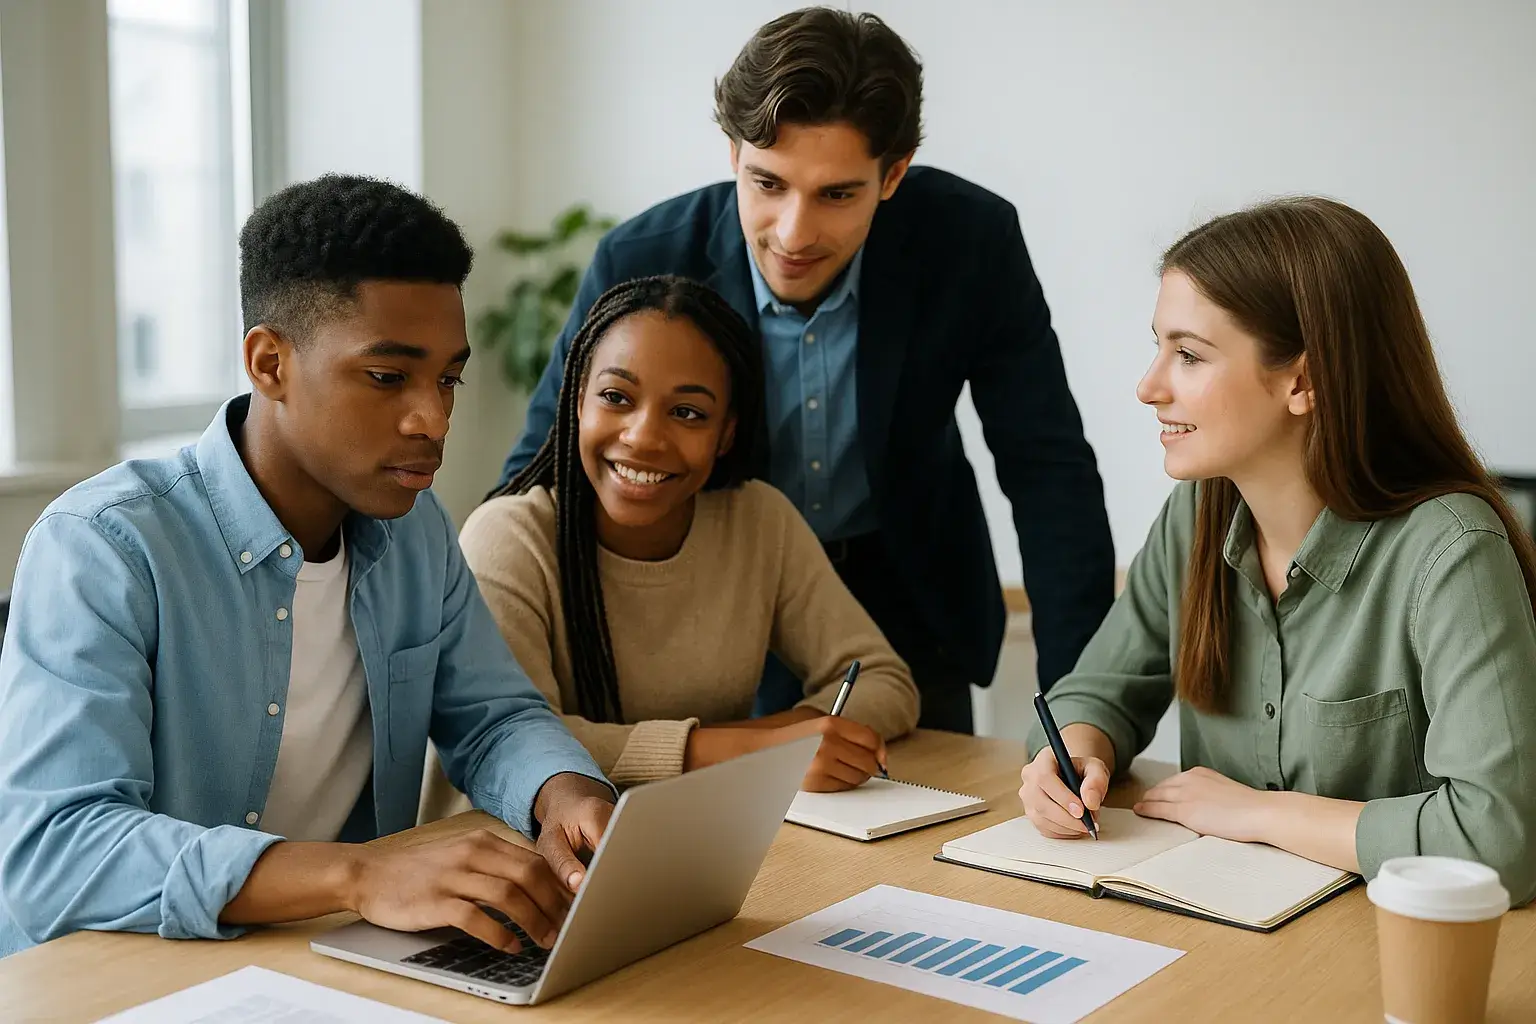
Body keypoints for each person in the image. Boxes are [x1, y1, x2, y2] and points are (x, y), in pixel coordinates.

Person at [0, 175, 618, 959]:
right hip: (127, 976)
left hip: (330, 961)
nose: (433, 418)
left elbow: (495, 717)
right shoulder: (102, 547)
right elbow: (58, 850)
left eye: (447, 378)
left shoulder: (418, 532)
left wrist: (566, 792)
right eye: (388, 377)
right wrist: (356, 878)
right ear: (270, 363)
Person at [496, 7, 1116, 734]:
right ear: (733, 155)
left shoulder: (969, 242)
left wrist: (1082, 713)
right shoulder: (643, 259)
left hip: (907, 600)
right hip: (716, 595)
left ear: (893, 174)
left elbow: (1049, 471)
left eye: (837, 195)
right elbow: (537, 471)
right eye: (768, 183)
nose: (793, 233)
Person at [1018, 196, 1536, 904]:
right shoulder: (1195, 515)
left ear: (1303, 379)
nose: (1149, 386)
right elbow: (1100, 691)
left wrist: (1259, 813)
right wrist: (1075, 753)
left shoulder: (1453, 552)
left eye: (1189, 354)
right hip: (1221, 937)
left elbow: (1502, 839)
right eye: (1158, 345)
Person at [419, 276, 918, 820]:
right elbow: (516, 741)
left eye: (687, 413)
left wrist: (766, 745)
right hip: (504, 851)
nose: (644, 437)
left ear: (726, 433)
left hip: (686, 837)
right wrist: (750, 751)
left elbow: (885, 682)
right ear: (575, 400)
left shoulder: (758, 521)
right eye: (616, 397)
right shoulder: (511, 536)